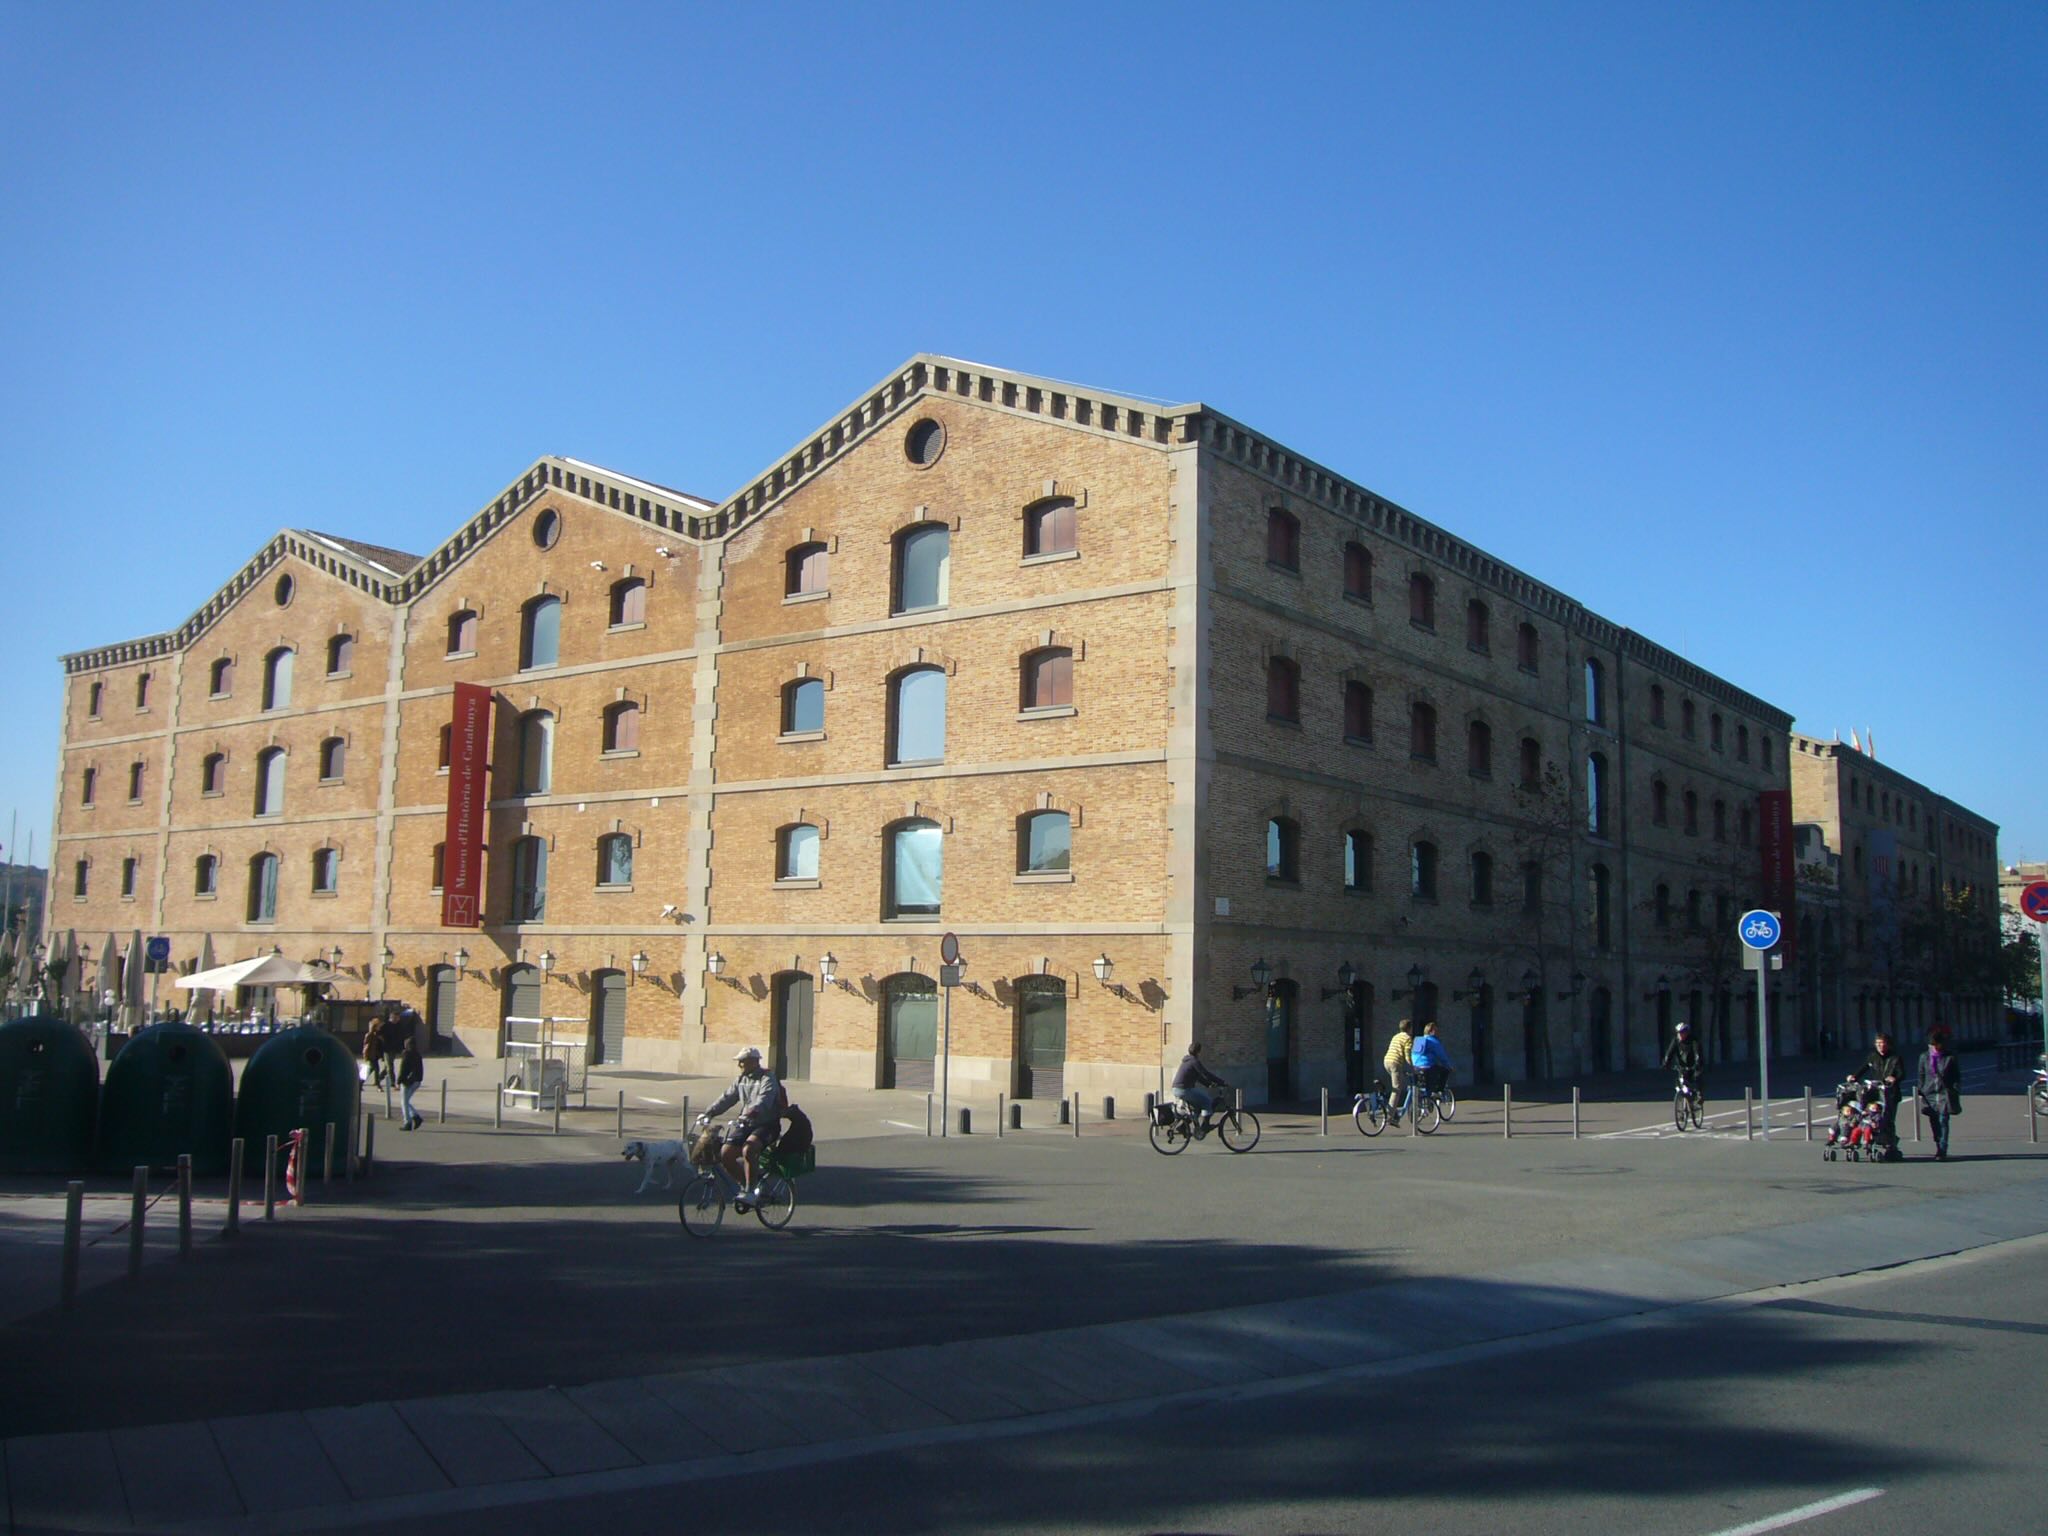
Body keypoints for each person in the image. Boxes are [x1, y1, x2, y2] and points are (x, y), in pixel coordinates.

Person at [699, 1046, 784, 1209]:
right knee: (725, 1153)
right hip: (746, 1123)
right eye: (739, 1062)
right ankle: (746, 1184)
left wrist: (752, 1112)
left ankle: (751, 1192)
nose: (740, 1065)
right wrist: (709, 1113)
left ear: (754, 1062)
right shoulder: (741, 1079)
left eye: (743, 1062)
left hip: (767, 1124)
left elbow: (764, 1100)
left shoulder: (767, 1078)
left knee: (749, 1149)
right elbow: (727, 1098)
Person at [1917, 1026, 1962, 1161]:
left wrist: (1955, 1089)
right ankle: (1937, 1143)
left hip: (1944, 1093)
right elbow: (1921, 1074)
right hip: (1929, 1092)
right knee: (1934, 1121)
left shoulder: (1950, 1057)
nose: (1934, 1048)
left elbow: (1956, 1076)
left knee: (1943, 1120)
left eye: (1936, 1045)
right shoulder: (1924, 1057)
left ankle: (1942, 1148)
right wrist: (1921, 1089)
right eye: (1932, 1045)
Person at [1860, 1032, 1906, 1161]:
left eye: (1882, 1043)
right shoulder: (1873, 1057)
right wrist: (1854, 1076)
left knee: (1888, 1120)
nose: (1880, 1046)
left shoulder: (1895, 1057)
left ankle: (1891, 1144)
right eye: (1877, 1043)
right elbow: (1864, 1068)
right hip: (1876, 1093)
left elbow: (1902, 1073)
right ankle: (1872, 1140)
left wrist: (1894, 1078)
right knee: (1873, 1119)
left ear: (1888, 1044)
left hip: (1891, 1094)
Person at [1171, 1043, 1229, 1123]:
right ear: (1198, 1052)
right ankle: (1205, 1125)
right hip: (1184, 1090)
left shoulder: (1187, 1061)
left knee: (1196, 1107)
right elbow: (1205, 1073)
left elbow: (1198, 1077)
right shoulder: (1194, 1061)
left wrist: (1208, 1084)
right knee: (1207, 1101)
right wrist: (1221, 1082)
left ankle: (1184, 1127)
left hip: (1177, 1089)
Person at [1383, 1021, 1416, 1121]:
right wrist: (1414, 1066)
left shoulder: (1396, 1036)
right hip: (1395, 1063)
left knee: (1398, 1083)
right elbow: (1408, 1055)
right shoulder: (1407, 1038)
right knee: (1397, 1089)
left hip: (1387, 1061)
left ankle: (1393, 1109)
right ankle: (1390, 1116)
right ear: (1409, 1028)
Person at [1411, 1022, 1453, 1096]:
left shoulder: (1419, 1040)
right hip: (1428, 1067)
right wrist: (1449, 1066)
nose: (1438, 1033)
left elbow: (1413, 1054)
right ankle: (1439, 1091)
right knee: (1445, 1071)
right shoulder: (1433, 1041)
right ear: (1432, 1031)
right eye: (1436, 1031)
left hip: (1416, 1067)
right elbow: (1442, 1056)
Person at [1661, 1020, 1703, 1091]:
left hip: (1693, 1064)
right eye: (1679, 1033)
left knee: (1697, 1078)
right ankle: (1680, 1094)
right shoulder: (1676, 1041)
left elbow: (1697, 1052)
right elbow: (1669, 1052)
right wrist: (1666, 1062)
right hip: (1682, 1065)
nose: (1681, 1035)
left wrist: (1697, 1062)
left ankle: (1699, 1094)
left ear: (1687, 1033)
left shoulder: (1693, 1040)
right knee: (1680, 1081)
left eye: (1683, 1032)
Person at [397, 1036, 425, 1130]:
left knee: (404, 1102)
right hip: (417, 1080)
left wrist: (399, 1080)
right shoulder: (417, 1054)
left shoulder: (406, 1054)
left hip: (407, 1081)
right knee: (406, 1101)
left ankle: (409, 1122)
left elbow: (403, 1068)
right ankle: (415, 1117)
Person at [362, 1013, 389, 1089]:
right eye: (378, 1026)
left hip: (375, 1055)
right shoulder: (370, 1035)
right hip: (371, 1055)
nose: (379, 1027)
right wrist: (366, 1056)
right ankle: (378, 1085)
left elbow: (379, 1046)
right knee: (374, 1069)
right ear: (375, 1026)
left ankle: (361, 1083)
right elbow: (366, 1046)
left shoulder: (377, 1034)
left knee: (371, 1069)